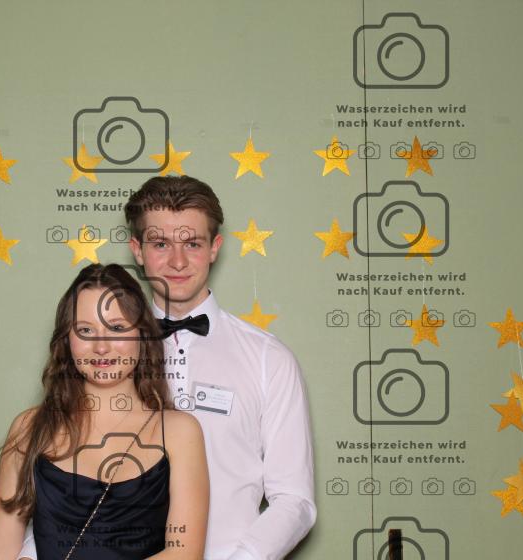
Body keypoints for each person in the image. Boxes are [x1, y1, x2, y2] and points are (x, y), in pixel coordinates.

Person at [18, 175, 316, 559]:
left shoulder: (268, 359)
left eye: (192, 243)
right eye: (160, 244)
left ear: (214, 248)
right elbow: (61, 481)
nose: (177, 261)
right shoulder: (103, 353)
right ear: (137, 250)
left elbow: (294, 499)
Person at [0, 263, 209, 560]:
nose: (101, 347)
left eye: (117, 328)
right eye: (86, 330)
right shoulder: (28, 428)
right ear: (67, 340)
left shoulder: (178, 431)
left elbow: (184, 554)